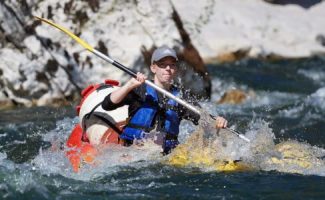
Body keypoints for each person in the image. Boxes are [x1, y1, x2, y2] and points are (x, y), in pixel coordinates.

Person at [102, 45, 227, 154]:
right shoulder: (140, 89)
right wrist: (129, 85)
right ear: (153, 68)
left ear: (175, 69)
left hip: (165, 156)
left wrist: (216, 121)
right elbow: (108, 104)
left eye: (172, 65)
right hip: (133, 150)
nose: (168, 68)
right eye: (163, 65)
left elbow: (203, 119)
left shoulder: (181, 97)